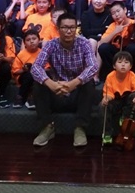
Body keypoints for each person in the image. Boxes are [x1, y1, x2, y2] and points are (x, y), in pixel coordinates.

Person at [31, 13, 99, 147]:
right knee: (39, 83)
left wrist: (74, 83)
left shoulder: (84, 43)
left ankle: (80, 128)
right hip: (57, 92)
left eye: (72, 27)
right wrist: (51, 84)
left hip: (76, 93)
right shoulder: (51, 45)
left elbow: (93, 66)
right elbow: (35, 67)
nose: (69, 31)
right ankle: (47, 127)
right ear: (58, 29)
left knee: (89, 82)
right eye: (65, 27)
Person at [100, 51, 135, 145]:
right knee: (103, 106)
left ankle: (125, 117)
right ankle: (107, 134)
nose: (123, 65)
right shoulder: (110, 76)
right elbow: (109, 94)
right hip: (115, 101)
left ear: (130, 66)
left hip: (128, 101)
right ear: (114, 66)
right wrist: (106, 99)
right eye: (120, 62)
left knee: (134, 95)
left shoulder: (132, 75)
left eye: (126, 62)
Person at [11, 28, 41, 108]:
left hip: (39, 77)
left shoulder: (42, 53)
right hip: (24, 77)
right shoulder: (21, 54)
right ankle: (21, 97)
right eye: (28, 40)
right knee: (29, 74)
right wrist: (23, 70)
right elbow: (15, 71)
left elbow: (47, 68)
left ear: (39, 40)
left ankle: (28, 97)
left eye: (34, 39)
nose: (31, 41)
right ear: (24, 43)